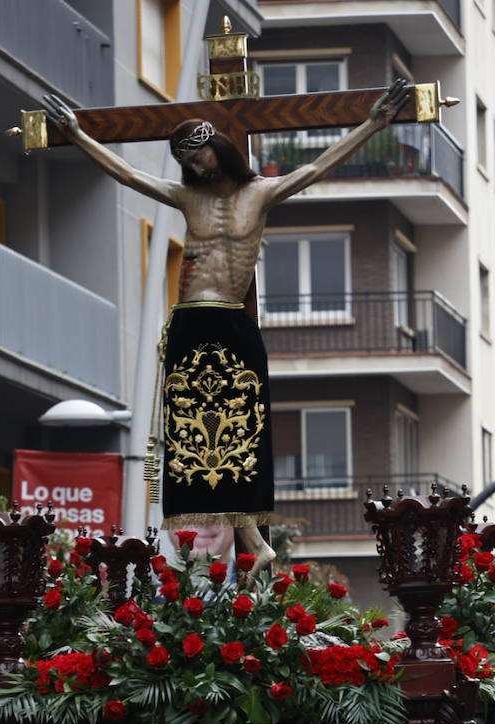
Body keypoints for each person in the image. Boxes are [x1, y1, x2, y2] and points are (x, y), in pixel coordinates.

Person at [41, 79, 413, 572]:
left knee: (238, 438)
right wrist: (79, 136)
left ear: (218, 146)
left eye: (200, 156)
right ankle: (253, 545)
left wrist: (373, 122)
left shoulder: (260, 193)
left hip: (233, 323)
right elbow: (128, 175)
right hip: (191, 321)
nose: (195, 168)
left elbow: (318, 166)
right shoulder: (184, 196)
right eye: (187, 162)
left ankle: (257, 543)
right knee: (194, 442)